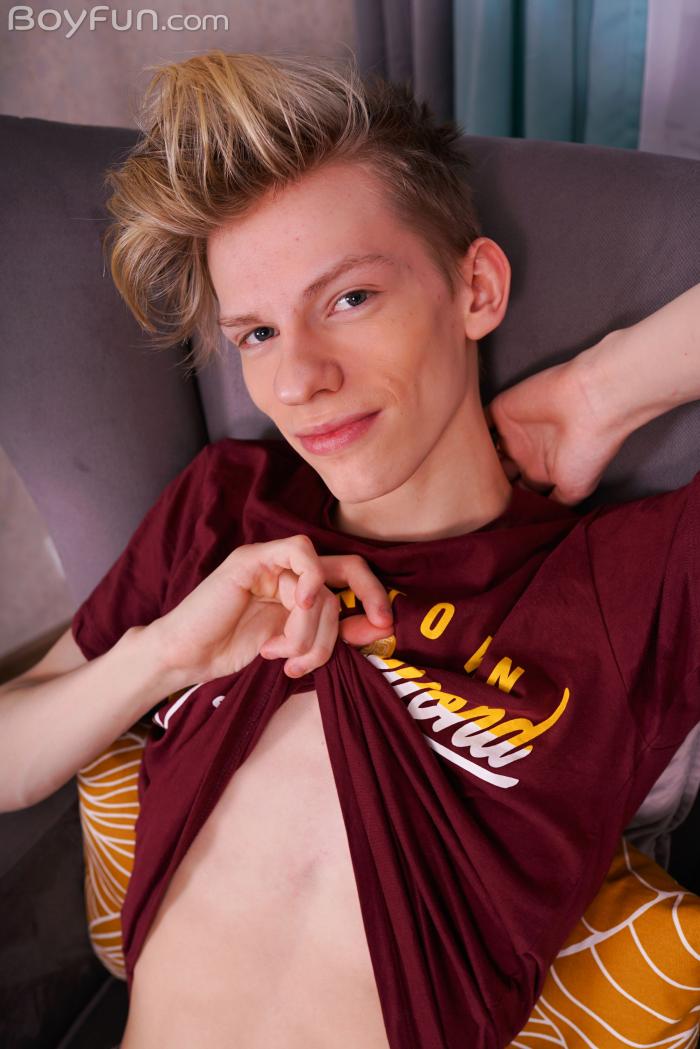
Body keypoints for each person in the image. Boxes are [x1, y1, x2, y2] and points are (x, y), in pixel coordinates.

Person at [1, 49, 698, 1049]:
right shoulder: (229, 510)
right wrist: (164, 655)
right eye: (256, 334)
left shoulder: (625, 581)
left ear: (475, 287)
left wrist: (604, 388)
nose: (298, 382)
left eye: (349, 299)